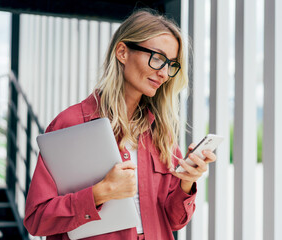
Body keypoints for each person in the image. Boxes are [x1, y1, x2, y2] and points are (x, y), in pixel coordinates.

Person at [24, 9, 216, 240]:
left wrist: (187, 181)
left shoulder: (161, 133)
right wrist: (100, 192)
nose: (164, 73)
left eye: (171, 64)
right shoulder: (70, 123)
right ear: (123, 52)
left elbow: (174, 220)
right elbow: (37, 220)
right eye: (157, 58)